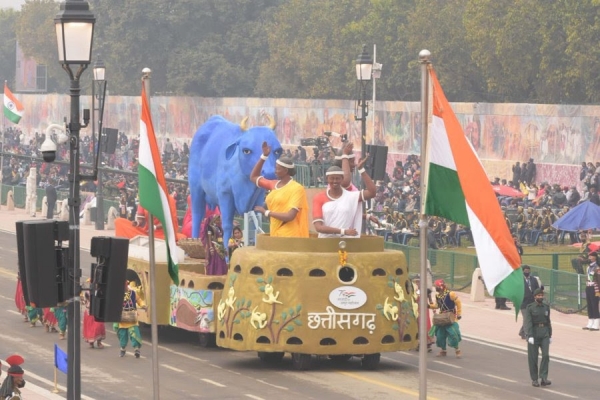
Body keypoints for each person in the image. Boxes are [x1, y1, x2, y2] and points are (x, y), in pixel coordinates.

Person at [250, 143, 309, 238]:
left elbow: (290, 216)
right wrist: (264, 156)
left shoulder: (297, 188)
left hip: (290, 235)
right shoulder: (273, 184)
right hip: (275, 232)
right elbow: (253, 177)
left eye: (277, 169)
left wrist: (266, 212)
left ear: (285, 171)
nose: (275, 171)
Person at [312, 163, 377, 238]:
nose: (335, 181)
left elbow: (372, 192)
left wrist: (361, 170)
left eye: (337, 178)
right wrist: (343, 231)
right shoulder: (318, 197)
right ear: (327, 179)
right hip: (325, 243)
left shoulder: (351, 196)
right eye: (332, 178)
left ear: (342, 178)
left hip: (346, 243)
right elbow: (318, 227)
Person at [524, 288, 552, 387]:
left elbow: (548, 321)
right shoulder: (530, 307)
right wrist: (530, 335)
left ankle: (543, 377)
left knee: (545, 356)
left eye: (541, 295)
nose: (540, 297)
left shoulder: (546, 307)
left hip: (544, 333)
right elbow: (528, 322)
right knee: (533, 358)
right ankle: (534, 379)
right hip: (534, 334)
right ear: (535, 297)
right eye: (538, 296)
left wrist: (550, 335)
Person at [429, 279, 462, 358]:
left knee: (453, 333)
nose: (436, 288)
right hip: (442, 318)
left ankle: (457, 350)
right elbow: (437, 306)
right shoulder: (437, 296)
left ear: (441, 286)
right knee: (440, 335)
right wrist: (429, 306)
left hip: (451, 317)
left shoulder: (451, 294)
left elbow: (458, 302)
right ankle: (443, 350)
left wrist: (459, 313)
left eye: (437, 286)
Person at [117, 281, 144, 358]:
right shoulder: (117, 294)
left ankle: (136, 349)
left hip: (132, 316)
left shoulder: (133, 293)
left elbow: (139, 301)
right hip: (122, 317)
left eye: (125, 285)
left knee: (134, 334)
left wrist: (143, 305)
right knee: (122, 335)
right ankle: (123, 349)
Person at [519, 265, 542, 339]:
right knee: (526, 318)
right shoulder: (519, 280)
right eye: (525, 271)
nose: (527, 272)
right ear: (522, 271)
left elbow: (537, 289)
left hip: (532, 302)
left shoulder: (533, 279)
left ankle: (522, 331)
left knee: (531, 318)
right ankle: (527, 333)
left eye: (528, 271)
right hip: (523, 302)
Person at [82, 281, 106, 348]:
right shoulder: (87, 292)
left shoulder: (100, 291)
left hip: (98, 312)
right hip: (89, 312)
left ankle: (99, 342)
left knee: (99, 326)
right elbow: (86, 301)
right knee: (90, 328)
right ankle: (91, 342)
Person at [583, 251, 600, 330]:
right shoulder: (588, 267)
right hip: (588, 287)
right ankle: (590, 322)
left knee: (594, 305)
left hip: (595, 287)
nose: (589, 257)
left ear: (594, 257)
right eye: (589, 256)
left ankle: (596, 323)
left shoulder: (597, 268)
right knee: (589, 305)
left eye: (590, 256)